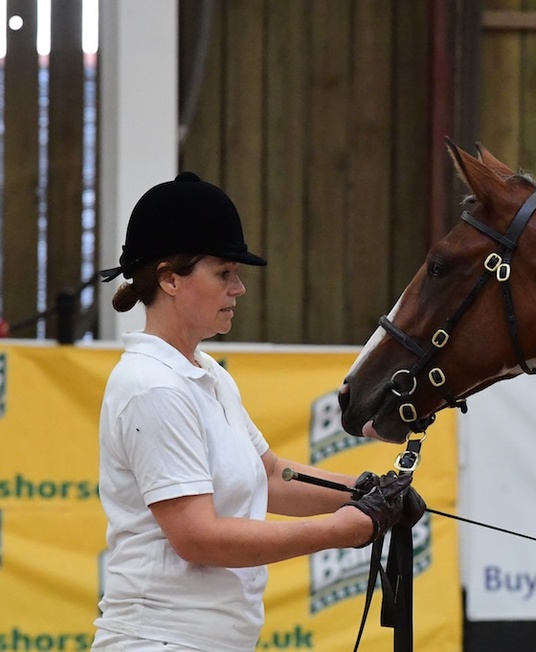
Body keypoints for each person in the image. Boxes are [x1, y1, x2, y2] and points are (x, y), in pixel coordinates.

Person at [92, 172, 422, 651]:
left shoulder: (206, 372)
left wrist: (363, 492)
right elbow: (198, 538)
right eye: (223, 273)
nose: (239, 288)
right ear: (169, 279)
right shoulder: (152, 386)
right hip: (160, 640)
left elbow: (268, 475)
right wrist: (345, 528)